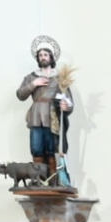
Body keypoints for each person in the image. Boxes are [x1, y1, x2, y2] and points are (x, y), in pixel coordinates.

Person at [17, 37, 72, 175]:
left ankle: (53, 180)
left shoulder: (59, 78)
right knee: (36, 148)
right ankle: (39, 180)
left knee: (51, 149)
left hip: (51, 117)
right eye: (40, 55)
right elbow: (20, 95)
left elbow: (68, 99)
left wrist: (67, 106)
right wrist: (33, 84)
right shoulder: (31, 77)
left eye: (45, 55)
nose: (43, 57)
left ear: (51, 57)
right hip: (35, 117)